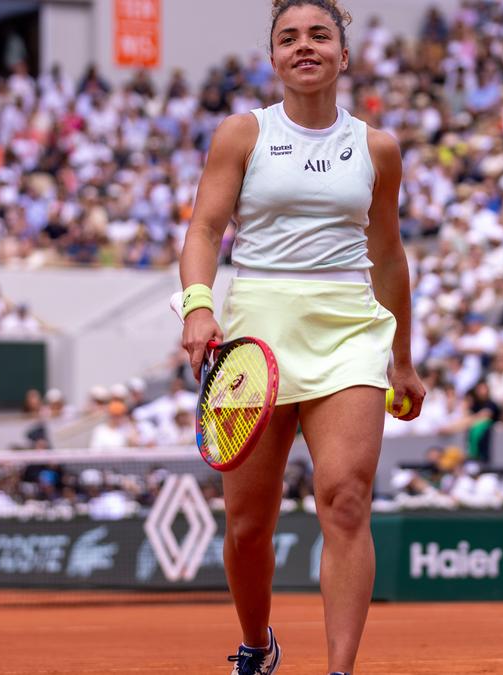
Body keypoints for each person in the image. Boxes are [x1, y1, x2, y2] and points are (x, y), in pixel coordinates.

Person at [177, 3, 424, 673]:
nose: (304, 46)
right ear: (273, 58)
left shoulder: (377, 148)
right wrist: (198, 306)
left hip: (348, 331)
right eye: (288, 38)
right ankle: (257, 644)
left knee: (346, 500)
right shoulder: (243, 134)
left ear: (344, 55)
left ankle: (340, 669)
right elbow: (204, 230)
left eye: (319, 35)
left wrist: (402, 360)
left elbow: (389, 256)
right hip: (255, 337)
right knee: (247, 525)